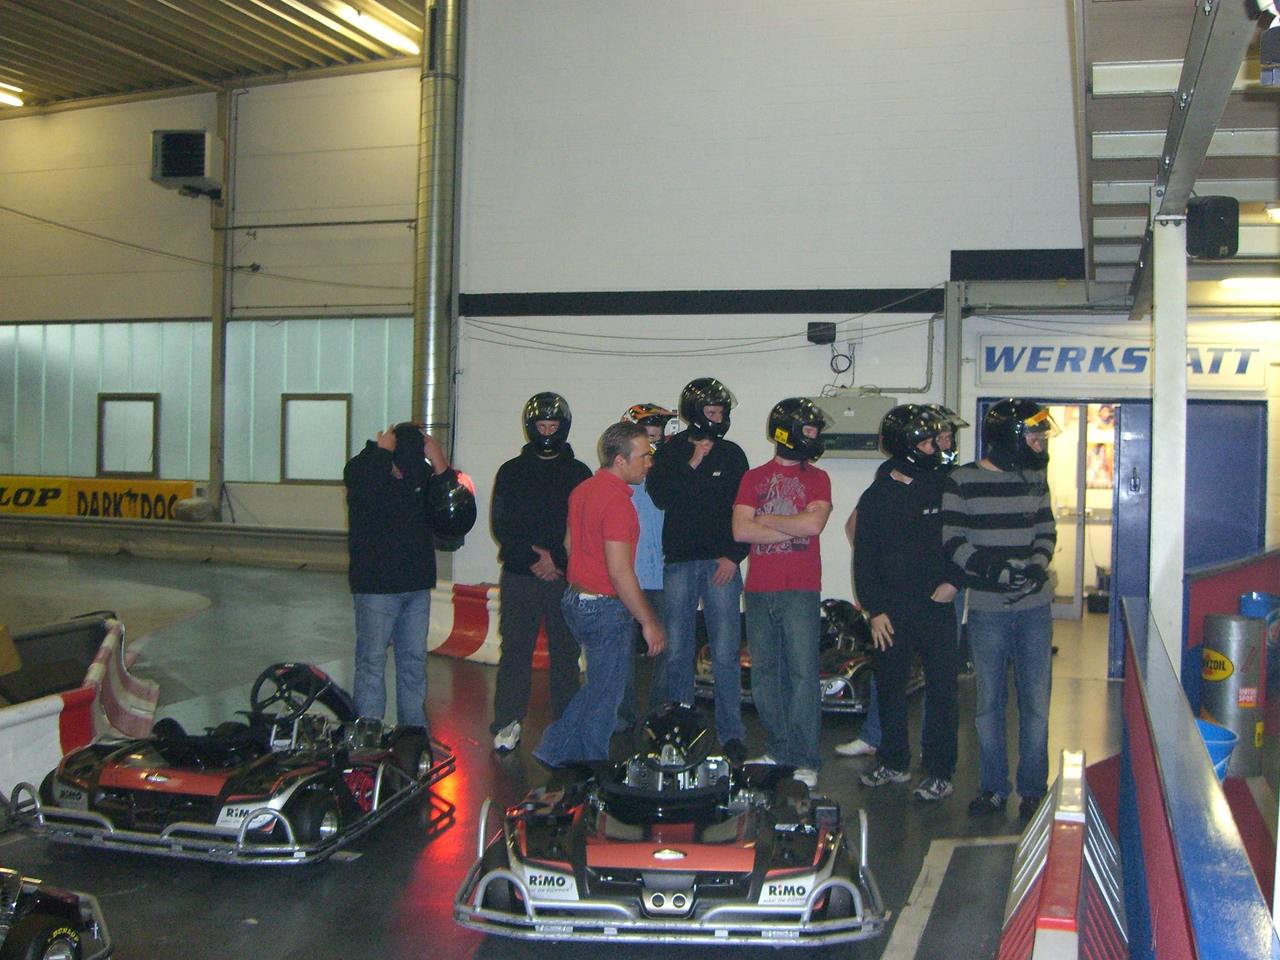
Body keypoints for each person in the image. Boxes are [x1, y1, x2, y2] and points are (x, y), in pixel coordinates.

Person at [942, 398, 1058, 820]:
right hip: (988, 609)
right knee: (989, 704)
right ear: (1010, 437)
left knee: (1036, 704)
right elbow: (954, 541)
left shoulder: (1036, 480)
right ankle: (992, 787)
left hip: (1035, 609)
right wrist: (998, 572)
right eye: (1033, 435)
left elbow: (1046, 530)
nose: (1039, 442)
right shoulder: (961, 480)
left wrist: (1038, 566)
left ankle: (1032, 789)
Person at [533, 422, 667, 768]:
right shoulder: (619, 505)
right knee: (605, 692)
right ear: (620, 460)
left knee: (602, 687)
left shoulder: (583, 490)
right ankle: (565, 753)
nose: (649, 462)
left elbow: (568, 545)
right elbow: (620, 573)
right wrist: (648, 622)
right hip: (604, 608)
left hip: (575, 601)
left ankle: (584, 758)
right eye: (643, 456)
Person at [852, 405, 960, 801]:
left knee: (942, 690)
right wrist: (874, 610)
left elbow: (963, 540)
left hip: (936, 606)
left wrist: (953, 582)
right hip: (891, 611)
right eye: (929, 442)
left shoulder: (945, 487)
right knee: (890, 689)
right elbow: (864, 557)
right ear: (907, 446)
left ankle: (940, 771)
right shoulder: (877, 495)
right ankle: (894, 762)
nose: (936, 448)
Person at [646, 377, 750, 763]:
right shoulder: (671, 451)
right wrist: (693, 462)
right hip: (680, 563)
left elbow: (745, 509)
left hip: (721, 563)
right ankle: (681, 729)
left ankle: (731, 733)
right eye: (711, 411)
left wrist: (733, 556)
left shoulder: (733, 455)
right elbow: (662, 496)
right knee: (678, 650)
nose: (717, 417)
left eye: (721, 411)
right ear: (695, 412)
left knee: (725, 652)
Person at [731, 398, 832, 788]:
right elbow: (741, 530)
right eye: (808, 430)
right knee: (765, 675)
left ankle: (806, 758)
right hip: (759, 589)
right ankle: (780, 749)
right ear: (786, 432)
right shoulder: (753, 477)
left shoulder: (818, 478)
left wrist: (768, 518)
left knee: (803, 674)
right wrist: (793, 524)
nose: (814, 436)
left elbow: (813, 526)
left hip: (800, 590)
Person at [490, 392, 593, 753]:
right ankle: (507, 722)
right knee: (515, 651)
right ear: (531, 427)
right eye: (542, 425)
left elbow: (583, 526)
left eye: (553, 425)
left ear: (563, 427)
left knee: (566, 653)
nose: (547, 431)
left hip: (564, 578)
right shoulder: (511, 471)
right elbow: (501, 524)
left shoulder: (579, 473)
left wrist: (557, 560)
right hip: (520, 576)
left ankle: (567, 723)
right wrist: (534, 559)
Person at [344, 421, 452, 728]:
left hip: (416, 585)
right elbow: (365, 492)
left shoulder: (422, 474)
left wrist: (440, 461)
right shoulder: (362, 468)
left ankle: (413, 730)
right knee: (372, 661)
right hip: (377, 586)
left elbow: (451, 506)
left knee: (413, 663)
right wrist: (381, 454)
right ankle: (368, 730)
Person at [616, 403, 676, 732]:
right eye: (647, 437)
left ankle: (659, 713)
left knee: (666, 647)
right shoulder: (621, 477)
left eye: (657, 436)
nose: (653, 443)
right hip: (628, 574)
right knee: (621, 649)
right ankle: (622, 714)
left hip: (663, 573)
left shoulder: (666, 473)